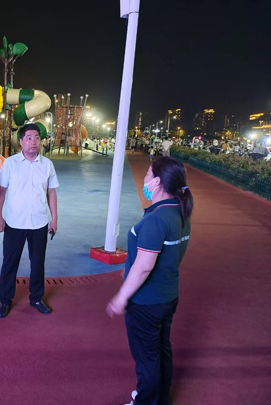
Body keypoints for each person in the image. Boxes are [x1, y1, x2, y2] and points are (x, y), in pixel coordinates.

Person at [106, 157, 194, 405]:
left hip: (146, 302)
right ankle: (159, 399)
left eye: (147, 174)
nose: (144, 179)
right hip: (167, 296)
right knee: (161, 350)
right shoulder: (179, 211)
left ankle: (145, 401)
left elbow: (144, 267)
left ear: (157, 182)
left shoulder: (156, 219)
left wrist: (121, 297)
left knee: (147, 359)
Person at [0, 123, 59, 318]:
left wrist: (54, 218)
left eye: (37, 138)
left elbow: (51, 192)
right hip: (14, 223)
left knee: (38, 263)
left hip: (39, 223)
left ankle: (37, 298)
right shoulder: (10, 163)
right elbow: (1, 191)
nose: (33, 142)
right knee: (9, 263)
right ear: (21, 141)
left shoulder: (47, 165)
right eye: (29, 138)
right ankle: (5, 300)